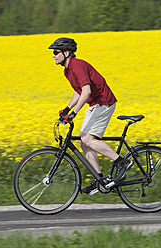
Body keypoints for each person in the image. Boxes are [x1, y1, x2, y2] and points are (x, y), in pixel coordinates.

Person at [48, 37, 133, 194]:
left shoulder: (77, 65)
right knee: (83, 142)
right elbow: (78, 91)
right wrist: (67, 108)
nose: (53, 55)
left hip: (104, 102)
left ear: (66, 53)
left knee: (87, 139)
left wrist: (74, 113)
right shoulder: (67, 70)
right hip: (95, 104)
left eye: (56, 52)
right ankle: (100, 179)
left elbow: (86, 91)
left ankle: (122, 162)